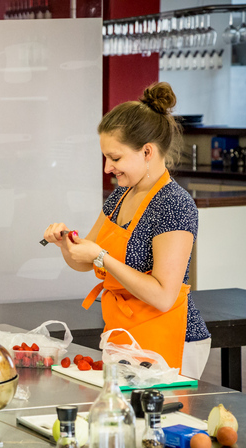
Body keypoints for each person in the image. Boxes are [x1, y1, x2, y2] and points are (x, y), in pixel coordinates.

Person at [42, 82, 210, 379]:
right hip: (123, 334)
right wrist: (67, 245)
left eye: (115, 158)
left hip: (168, 339)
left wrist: (102, 258)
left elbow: (162, 296)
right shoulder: (120, 196)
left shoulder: (174, 204)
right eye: (106, 157)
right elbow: (84, 260)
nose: (107, 168)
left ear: (147, 152)